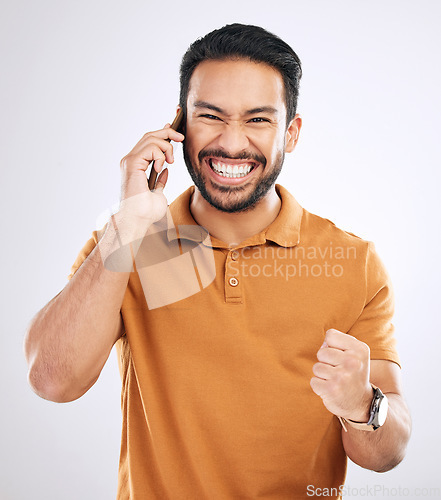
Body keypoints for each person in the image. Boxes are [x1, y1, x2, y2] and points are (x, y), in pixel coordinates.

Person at [24, 23, 411, 499]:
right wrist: (127, 227)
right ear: (179, 124)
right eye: (210, 116)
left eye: (257, 120)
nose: (231, 143)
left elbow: (388, 453)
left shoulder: (352, 262)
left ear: (291, 134)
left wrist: (360, 405)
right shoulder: (133, 244)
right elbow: (50, 381)